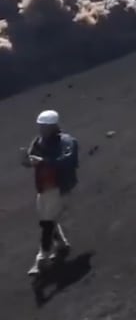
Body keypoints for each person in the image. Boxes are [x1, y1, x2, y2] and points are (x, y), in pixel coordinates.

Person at [22, 110, 79, 276]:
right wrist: (27, 161)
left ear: (54, 126)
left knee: (47, 224)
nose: (41, 129)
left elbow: (67, 161)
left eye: (45, 126)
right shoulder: (39, 142)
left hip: (58, 187)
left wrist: (43, 162)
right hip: (43, 186)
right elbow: (31, 159)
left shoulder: (66, 141)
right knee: (46, 219)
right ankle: (61, 244)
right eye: (40, 126)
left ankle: (42, 259)